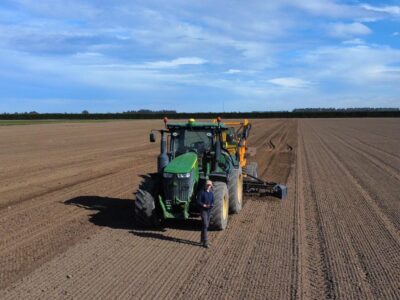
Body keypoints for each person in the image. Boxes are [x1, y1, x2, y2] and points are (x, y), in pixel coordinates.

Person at [197, 180, 214, 248]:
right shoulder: (201, 192)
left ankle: (201, 240)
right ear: (205, 185)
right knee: (205, 224)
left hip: (209, 210)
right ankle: (206, 242)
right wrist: (203, 205)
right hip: (203, 210)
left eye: (209, 185)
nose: (208, 186)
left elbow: (213, 201)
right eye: (207, 185)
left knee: (205, 225)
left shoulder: (211, 193)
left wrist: (212, 205)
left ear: (211, 186)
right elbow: (198, 201)